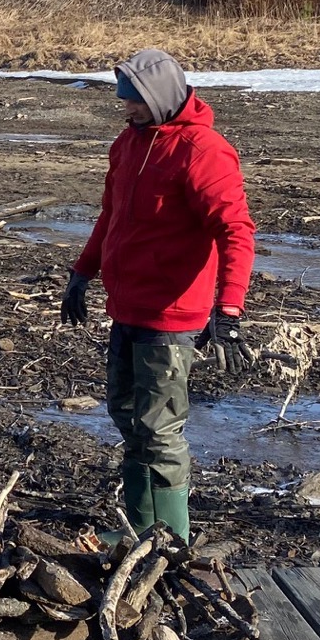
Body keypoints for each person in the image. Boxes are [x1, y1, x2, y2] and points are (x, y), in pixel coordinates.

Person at [60, 48, 256, 541]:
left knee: (161, 431)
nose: (126, 108)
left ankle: (171, 543)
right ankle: (140, 530)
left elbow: (236, 230)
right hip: (128, 308)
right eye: (124, 100)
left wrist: (228, 309)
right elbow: (111, 218)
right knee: (127, 417)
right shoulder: (128, 144)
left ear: (162, 97)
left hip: (171, 316)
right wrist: (82, 274)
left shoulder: (203, 150)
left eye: (135, 100)